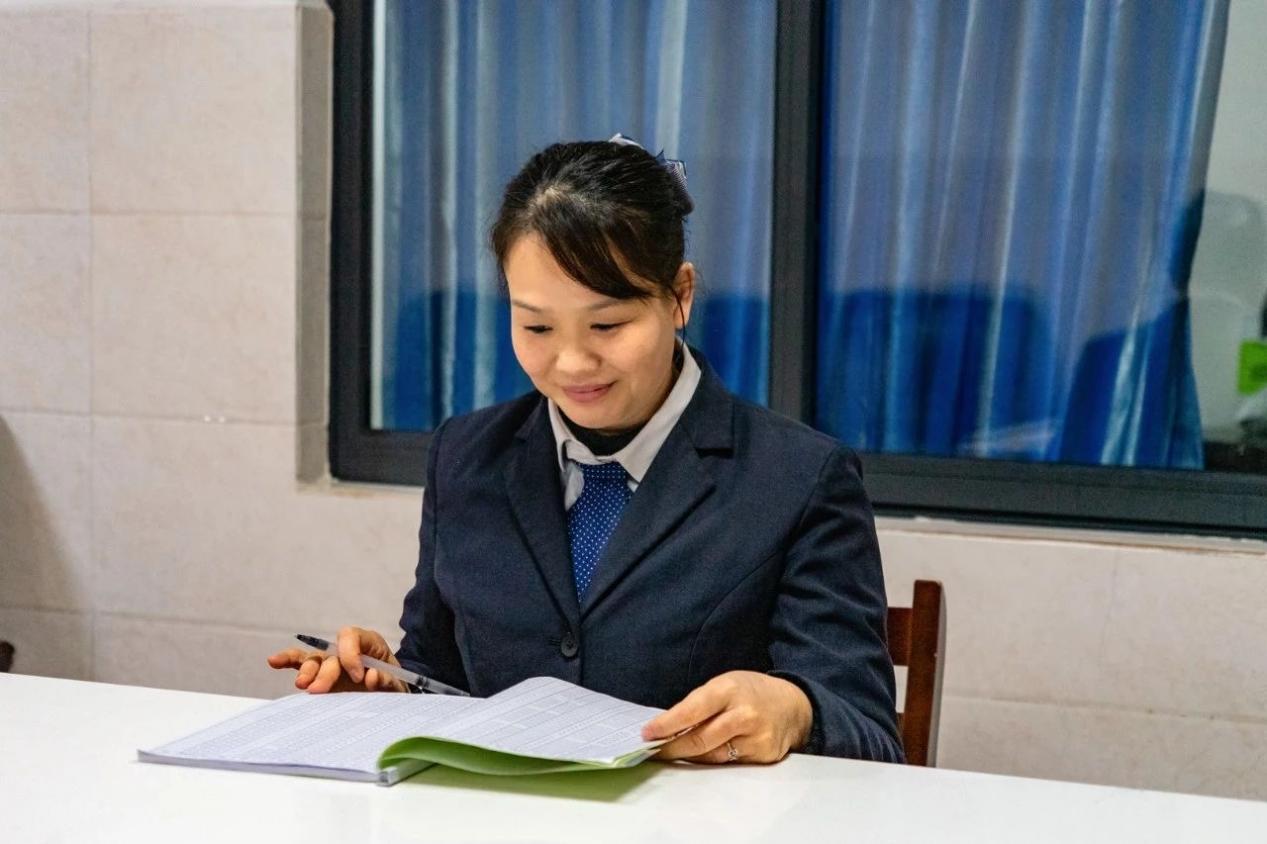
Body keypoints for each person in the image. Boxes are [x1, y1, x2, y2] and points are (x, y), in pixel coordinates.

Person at [269, 137, 903, 765]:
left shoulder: (797, 477)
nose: (572, 363)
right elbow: (438, 672)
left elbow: (869, 734)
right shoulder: (466, 456)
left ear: (679, 295)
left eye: (607, 325)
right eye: (537, 326)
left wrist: (795, 710)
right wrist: (389, 693)